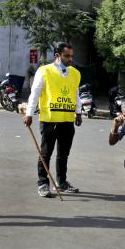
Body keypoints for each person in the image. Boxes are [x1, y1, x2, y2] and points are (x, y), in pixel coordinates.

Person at [24, 42, 82, 197]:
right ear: (57, 55)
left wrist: (78, 112)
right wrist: (29, 113)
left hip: (67, 119)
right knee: (46, 153)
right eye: (67, 56)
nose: (70, 59)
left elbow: (75, 93)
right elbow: (35, 93)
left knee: (64, 154)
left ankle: (61, 182)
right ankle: (43, 184)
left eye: (71, 56)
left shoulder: (75, 73)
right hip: (50, 119)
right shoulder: (44, 71)